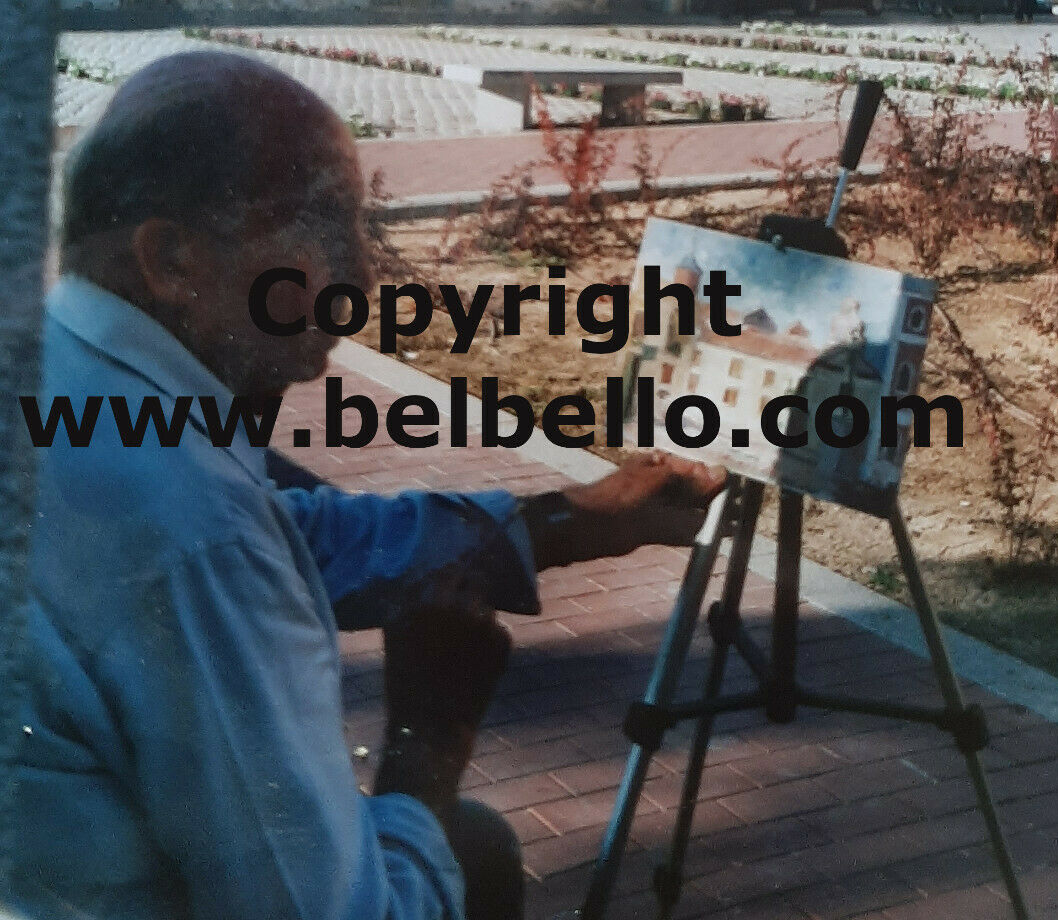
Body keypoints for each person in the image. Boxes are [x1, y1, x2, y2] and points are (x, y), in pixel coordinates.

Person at [13, 51, 726, 920]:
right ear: (171, 259)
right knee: (461, 841)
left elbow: (292, 533)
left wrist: (572, 521)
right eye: (322, 232)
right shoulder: (188, 526)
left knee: (475, 846)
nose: (364, 275)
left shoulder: (71, 369)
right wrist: (430, 736)